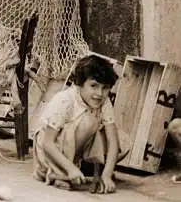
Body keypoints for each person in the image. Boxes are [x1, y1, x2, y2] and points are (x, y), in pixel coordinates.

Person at [32, 54, 130, 193]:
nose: (99, 93)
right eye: (93, 86)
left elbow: (113, 141)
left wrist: (107, 175)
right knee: (88, 121)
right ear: (79, 84)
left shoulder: (104, 101)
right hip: (49, 152)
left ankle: (86, 171)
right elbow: (48, 143)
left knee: (123, 141)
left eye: (105, 88)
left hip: (75, 150)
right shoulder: (64, 100)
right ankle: (56, 172)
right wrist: (70, 168)